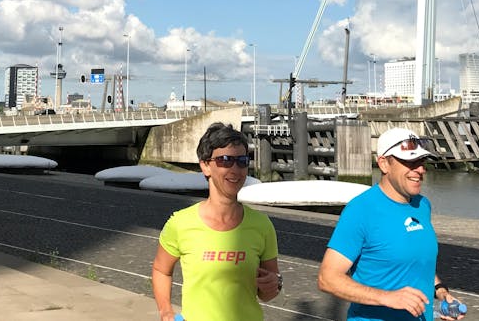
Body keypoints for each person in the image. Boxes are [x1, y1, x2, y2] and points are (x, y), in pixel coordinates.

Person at [317, 127, 463, 321]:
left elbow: (417, 261)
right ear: (384, 164)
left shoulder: (422, 205)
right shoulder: (361, 210)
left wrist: (441, 292)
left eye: (421, 162)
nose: (419, 170)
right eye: (410, 163)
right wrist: (387, 298)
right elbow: (328, 278)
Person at [152, 122, 281, 321]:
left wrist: (273, 285)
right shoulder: (180, 223)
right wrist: (166, 311)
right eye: (225, 160)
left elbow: (267, 292)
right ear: (205, 166)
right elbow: (161, 270)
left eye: (242, 161)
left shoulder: (262, 225)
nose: (235, 169)